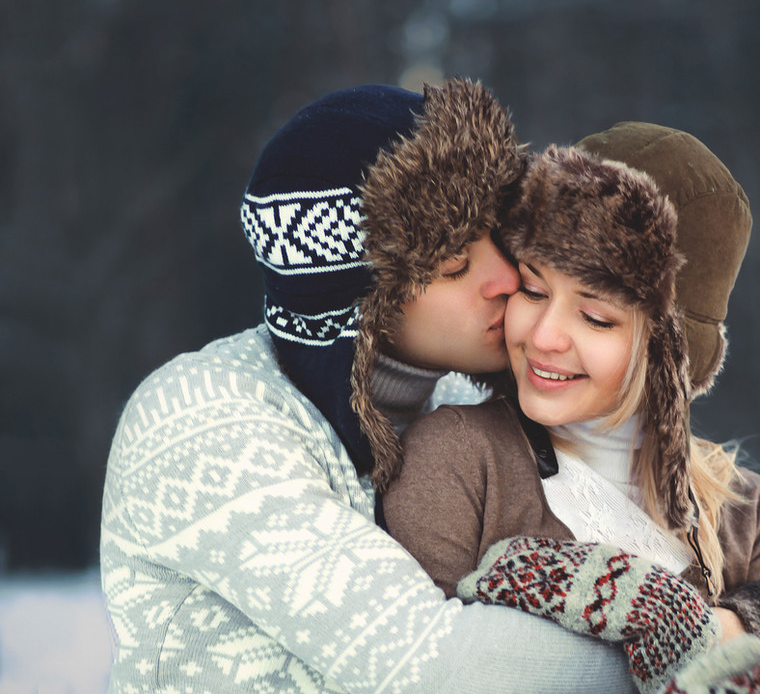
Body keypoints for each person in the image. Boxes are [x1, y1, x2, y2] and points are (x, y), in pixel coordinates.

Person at [99, 78, 639, 693]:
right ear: (362, 298)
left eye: (496, 234)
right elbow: (435, 669)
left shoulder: (464, 411)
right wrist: (687, 647)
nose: (504, 276)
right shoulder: (203, 416)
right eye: (453, 264)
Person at [383, 126, 757, 691]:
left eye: (597, 317)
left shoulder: (740, 508)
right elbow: (415, 671)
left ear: (667, 355)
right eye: (532, 290)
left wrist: (718, 629)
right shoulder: (457, 461)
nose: (545, 336)